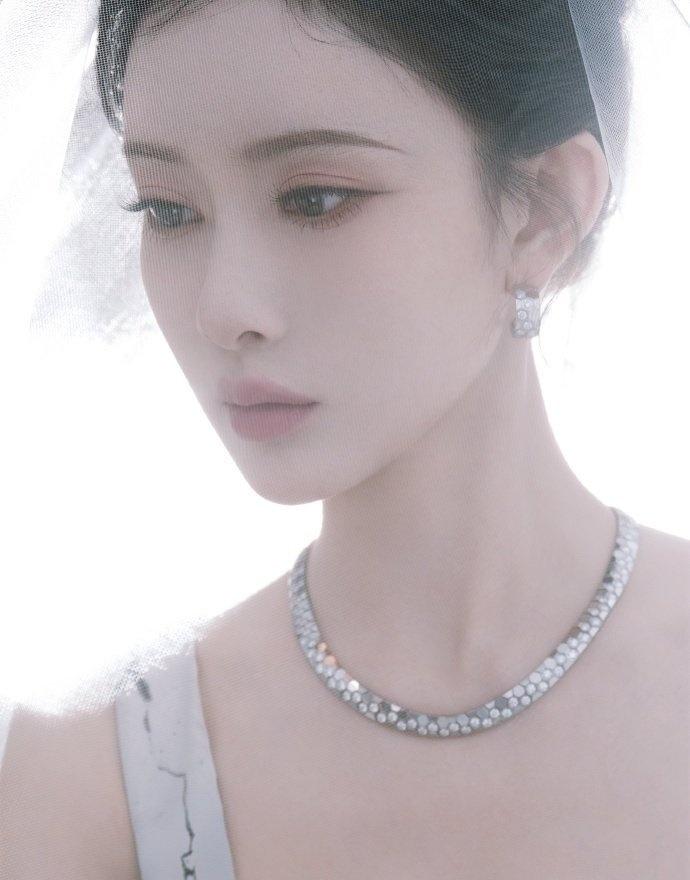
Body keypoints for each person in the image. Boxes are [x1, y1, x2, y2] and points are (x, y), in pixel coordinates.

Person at [1, 0, 688, 877]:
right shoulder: (94, 778)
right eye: (168, 210)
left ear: (542, 213)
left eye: (315, 199)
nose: (223, 308)